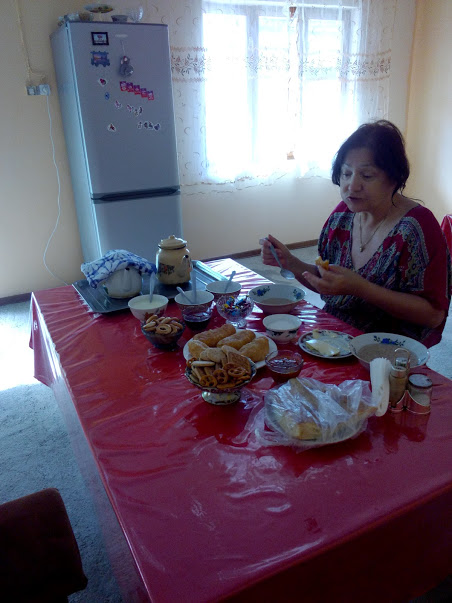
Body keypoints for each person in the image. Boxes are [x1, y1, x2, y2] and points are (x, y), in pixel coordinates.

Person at [261, 120, 451, 347]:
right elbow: (329, 281)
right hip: (334, 338)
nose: (352, 186)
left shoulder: (417, 228)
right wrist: (291, 262)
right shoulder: (342, 215)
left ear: (394, 178)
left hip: (388, 351)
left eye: (367, 176)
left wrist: (361, 288)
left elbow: (433, 315)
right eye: (346, 173)